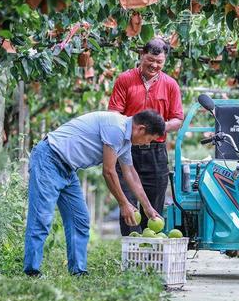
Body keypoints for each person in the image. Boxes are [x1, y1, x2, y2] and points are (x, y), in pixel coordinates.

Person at [23, 110, 165, 276]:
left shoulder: (125, 142)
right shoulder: (116, 127)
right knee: (42, 217)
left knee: (80, 220)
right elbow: (109, 171)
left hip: (68, 168)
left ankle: (78, 271)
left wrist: (148, 208)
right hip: (49, 159)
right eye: (149, 139)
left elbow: (130, 174)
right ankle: (32, 271)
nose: (146, 144)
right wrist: (124, 203)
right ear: (140, 129)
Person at [108, 37, 184, 236]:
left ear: (165, 61)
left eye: (159, 62)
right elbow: (114, 113)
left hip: (156, 152)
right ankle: (132, 257)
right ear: (142, 55)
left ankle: (151, 257)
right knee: (129, 207)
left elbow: (177, 119)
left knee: (154, 208)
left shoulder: (170, 85)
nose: (154, 65)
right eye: (150, 60)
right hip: (127, 148)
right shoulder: (125, 79)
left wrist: (156, 129)